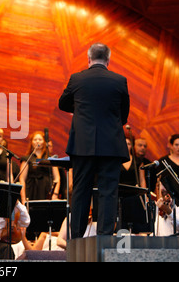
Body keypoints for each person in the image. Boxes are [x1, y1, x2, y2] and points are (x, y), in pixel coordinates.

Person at [58, 42, 130, 238]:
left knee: (81, 191)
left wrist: (81, 109)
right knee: (108, 193)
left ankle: (76, 240)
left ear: (88, 59)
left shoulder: (77, 79)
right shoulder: (119, 80)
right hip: (111, 145)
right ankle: (104, 239)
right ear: (108, 59)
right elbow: (123, 116)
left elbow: (62, 104)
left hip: (83, 145)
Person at [19, 131, 61, 203]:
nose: (37, 141)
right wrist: (23, 198)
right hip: (32, 191)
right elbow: (22, 179)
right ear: (31, 142)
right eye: (35, 140)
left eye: (40, 139)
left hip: (47, 192)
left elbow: (57, 177)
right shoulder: (27, 159)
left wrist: (55, 194)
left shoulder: (50, 159)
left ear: (44, 142)